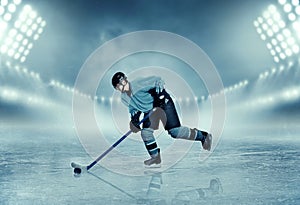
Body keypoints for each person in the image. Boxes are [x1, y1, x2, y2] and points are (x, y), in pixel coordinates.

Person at [111, 72, 212, 167]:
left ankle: (203, 136)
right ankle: (155, 157)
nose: (119, 88)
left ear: (123, 81)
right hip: (150, 110)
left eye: (119, 85)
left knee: (175, 132)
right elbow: (133, 109)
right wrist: (134, 120)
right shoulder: (124, 98)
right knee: (146, 133)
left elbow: (158, 80)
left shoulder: (138, 83)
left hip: (163, 103)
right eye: (117, 87)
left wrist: (160, 93)